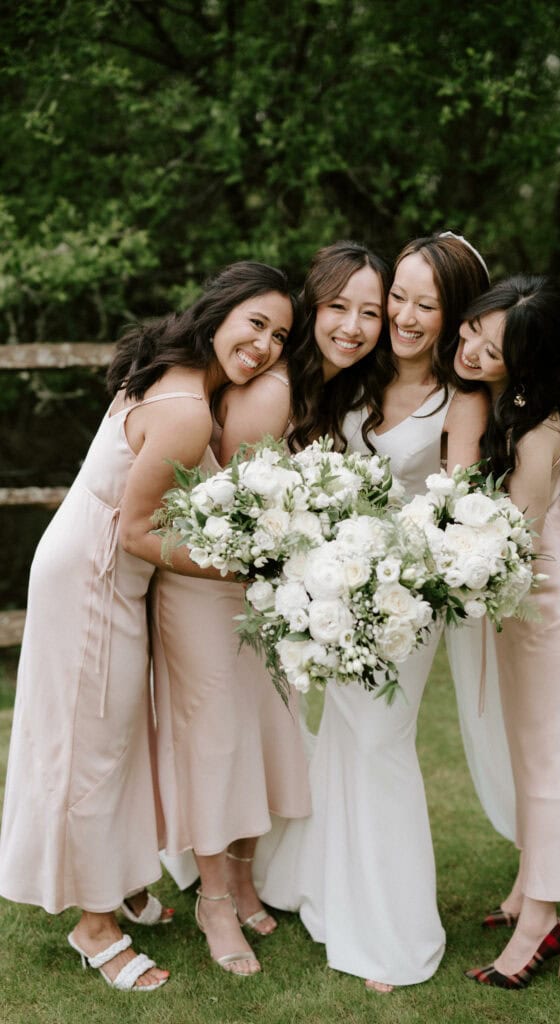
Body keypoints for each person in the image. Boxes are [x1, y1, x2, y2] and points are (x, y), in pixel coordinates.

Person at [0, 262, 294, 991]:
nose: (263, 345)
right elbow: (135, 531)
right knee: (89, 746)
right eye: (255, 323)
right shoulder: (188, 407)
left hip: (96, 568)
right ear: (221, 311)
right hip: (95, 577)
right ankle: (94, 926)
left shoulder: (174, 368)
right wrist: (240, 567)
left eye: (280, 336)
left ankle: (124, 884)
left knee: (115, 736)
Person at [254, 232, 490, 992]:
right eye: (399, 298)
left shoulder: (462, 399)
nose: (405, 315)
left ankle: (389, 932)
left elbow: (457, 508)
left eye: (427, 303)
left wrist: (397, 568)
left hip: (406, 602)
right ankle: (319, 888)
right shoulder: (356, 379)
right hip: (336, 586)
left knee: (380, 742)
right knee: (340, 740)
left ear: (453, 314)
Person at [150, 240, 394, 976]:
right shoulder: (273, 389)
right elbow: (246, 515)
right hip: (206, 588)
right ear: (313, 306)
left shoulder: (323, 390)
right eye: (337, 307)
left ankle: (247, 877)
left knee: (262, 735)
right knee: (218, 744)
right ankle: (214, 900)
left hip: (260, 593)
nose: (352, 325)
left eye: (370, 313)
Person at [453, 274, 560, 989]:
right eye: (469, 334)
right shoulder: (499, 403)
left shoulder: (536, 426)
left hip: (554, 593)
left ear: (526, 357)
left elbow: (508, 538)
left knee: (550, 754)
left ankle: (539, 920)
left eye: (490, 349)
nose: (469, 350)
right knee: (528, 746)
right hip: (521, 594)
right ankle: (528, 885)